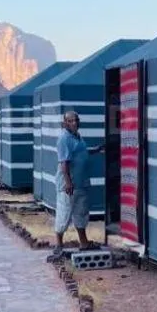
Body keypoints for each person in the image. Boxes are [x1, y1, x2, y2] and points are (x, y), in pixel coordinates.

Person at [49, 110, 103, 259]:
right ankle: (58, 245)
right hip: (69, 185)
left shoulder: (77, 136)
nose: (75, 123)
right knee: (64, 212)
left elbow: (81, 152)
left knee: (81, 213)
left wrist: (95, 150)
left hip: (81, 182)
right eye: (71, 121)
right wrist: (68, 182)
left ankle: (84, 243)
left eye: (76, 120)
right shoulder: (64, 139)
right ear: (65, 123)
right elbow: (64, 163)